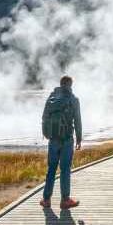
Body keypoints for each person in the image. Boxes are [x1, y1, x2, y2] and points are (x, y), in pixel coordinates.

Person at [40, 75, 83, 209]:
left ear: (60, 84)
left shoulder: (51, 98)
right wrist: (79, 138)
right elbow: (77, 120)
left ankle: (46, 200)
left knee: (51, 169)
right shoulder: (73, 100)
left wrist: (47, 133)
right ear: (70, 85)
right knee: (65, 169)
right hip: (67, 139)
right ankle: (65, 200)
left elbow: (44, 117)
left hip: (53, 139)